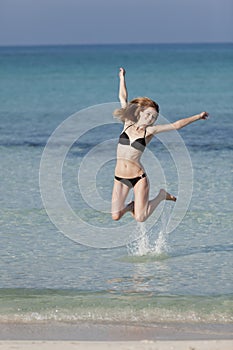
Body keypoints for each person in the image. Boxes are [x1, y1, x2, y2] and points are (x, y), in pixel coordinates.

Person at [111, 67, 208, 222]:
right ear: (141, 112)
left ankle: (162, 195)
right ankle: (131, 206)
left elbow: (176, 125)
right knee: (116, 216)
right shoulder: (127, 123)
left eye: (154, 117)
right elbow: (123, 97)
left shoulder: (149, 131)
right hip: (119, 177)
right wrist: (122, 78)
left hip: (138, 177)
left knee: (141, 218)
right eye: (148, 114)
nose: (150, 119)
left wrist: (198, 116)